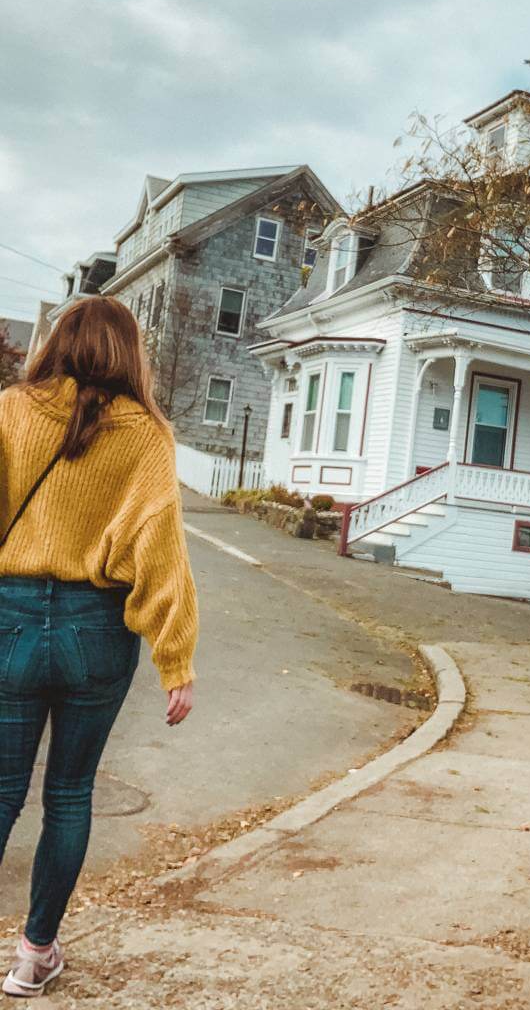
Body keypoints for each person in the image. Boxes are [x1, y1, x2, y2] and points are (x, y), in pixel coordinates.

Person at [0, 296, 198, 997]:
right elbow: (160, 549)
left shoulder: (11, 411)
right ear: (128, 354)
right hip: (96, 631)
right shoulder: (147, 434)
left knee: (0, 791)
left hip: (10, 620)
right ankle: (34, 954)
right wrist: (176, 659)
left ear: (59, 342)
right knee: (70, 793)